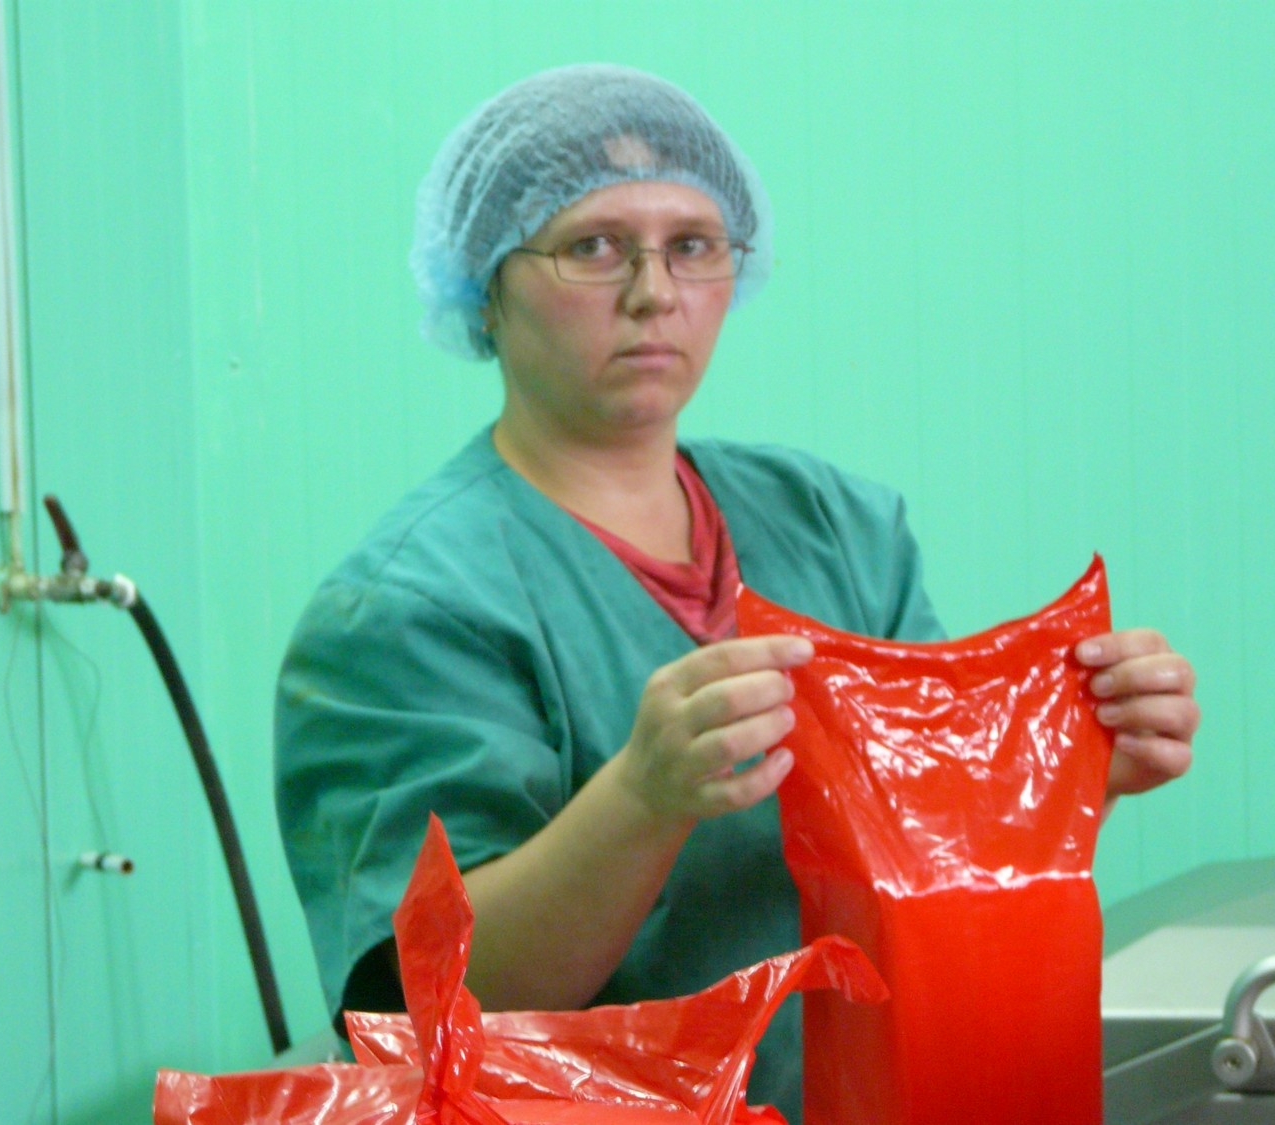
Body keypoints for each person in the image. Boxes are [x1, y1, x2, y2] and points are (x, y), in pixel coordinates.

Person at [274, 63, 1199, 1121]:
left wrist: (1069, 765)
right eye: (593, 246)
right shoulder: (406, 608)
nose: (654, 292)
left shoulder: (835, 528)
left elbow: (928, 846)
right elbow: (428, 1009)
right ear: (485, 286)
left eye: (692, 245)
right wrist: (641, 799)